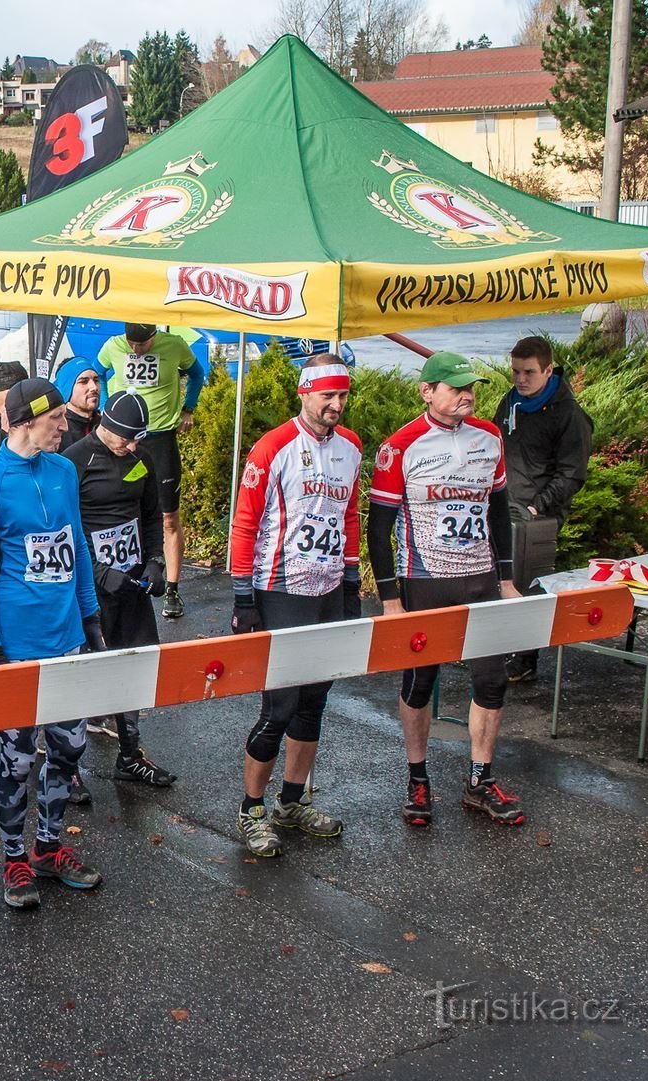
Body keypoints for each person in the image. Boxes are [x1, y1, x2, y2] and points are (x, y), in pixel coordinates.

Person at [0, 379, 105, 908]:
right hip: (16, 646)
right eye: (56, 419)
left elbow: (78, 550)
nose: (66, 427)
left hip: (65, 637)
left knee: (69, 748)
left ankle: (47, 847)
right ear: (24, 423)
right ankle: (14, 860)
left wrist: (90, 619)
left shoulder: (63, 470)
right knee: (17, 759)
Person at [369, 351, 523, 828]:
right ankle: (418, 778)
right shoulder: (400, 446)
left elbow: (498, 511)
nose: (467, 395)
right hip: (425, 580)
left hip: (478, 579)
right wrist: (390, 597)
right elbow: (378, 528)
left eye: (470, 387)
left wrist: (507, 578)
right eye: (455, 387)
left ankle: (480, 781)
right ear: (427, 391)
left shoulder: (490, 438)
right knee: (421, 682)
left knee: (492, 680)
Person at [227, 356, 363, 856]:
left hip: (327, 589)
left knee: (314, 700)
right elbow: (244, 525)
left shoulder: (351, 447)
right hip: (279, 588)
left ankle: (291, 801)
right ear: (304, 393)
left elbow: (348, 517)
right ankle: (251, 808)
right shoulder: (273, 447)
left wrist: (351, 586)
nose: (335, 405)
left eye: (343, 396)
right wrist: (243, 598)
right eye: (326, 395)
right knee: (280, 705)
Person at [64, 390, 176, 790]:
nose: (133, 446)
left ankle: (130, 755)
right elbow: (65, 531)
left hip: (131, 580)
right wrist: (96, 572)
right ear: (105, 427)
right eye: (126, 438)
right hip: (91, 585)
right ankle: (67, 767)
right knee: (84, 674)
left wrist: (156, 561)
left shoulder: (140, 459)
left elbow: (150, 517)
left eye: (138, 439)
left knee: (133, 666)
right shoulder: (76, 459)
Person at [492, 336, 593, 683]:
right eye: (516, 372)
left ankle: (525, 658)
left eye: (529, 373)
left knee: (527, 582)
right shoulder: (512, 401)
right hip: (503, 502)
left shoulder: (569, 416)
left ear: (549, 371)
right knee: (499, 577)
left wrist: (539, 505)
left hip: (538, 511)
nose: (520, 379)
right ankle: (498, 647)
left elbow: (572, 473)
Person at [96, 323, 206, 619]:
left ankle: (172, 587)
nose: (136, 349)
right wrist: (108, 406)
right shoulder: (113, 345)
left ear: (154, 336)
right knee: (123, 510)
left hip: (158, 438)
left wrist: (189, 408)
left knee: (169, 516)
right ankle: (124, 580)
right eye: (132, 343)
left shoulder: (175, 344)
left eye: (143, 344)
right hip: (123, 440)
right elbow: (96, 373)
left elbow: (197, 373)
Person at [53, 356, 102, 451]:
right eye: (83, 382)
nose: (94, 387)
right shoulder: (55, 431)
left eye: (96, 380)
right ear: (67, 390)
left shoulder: (106, 425)